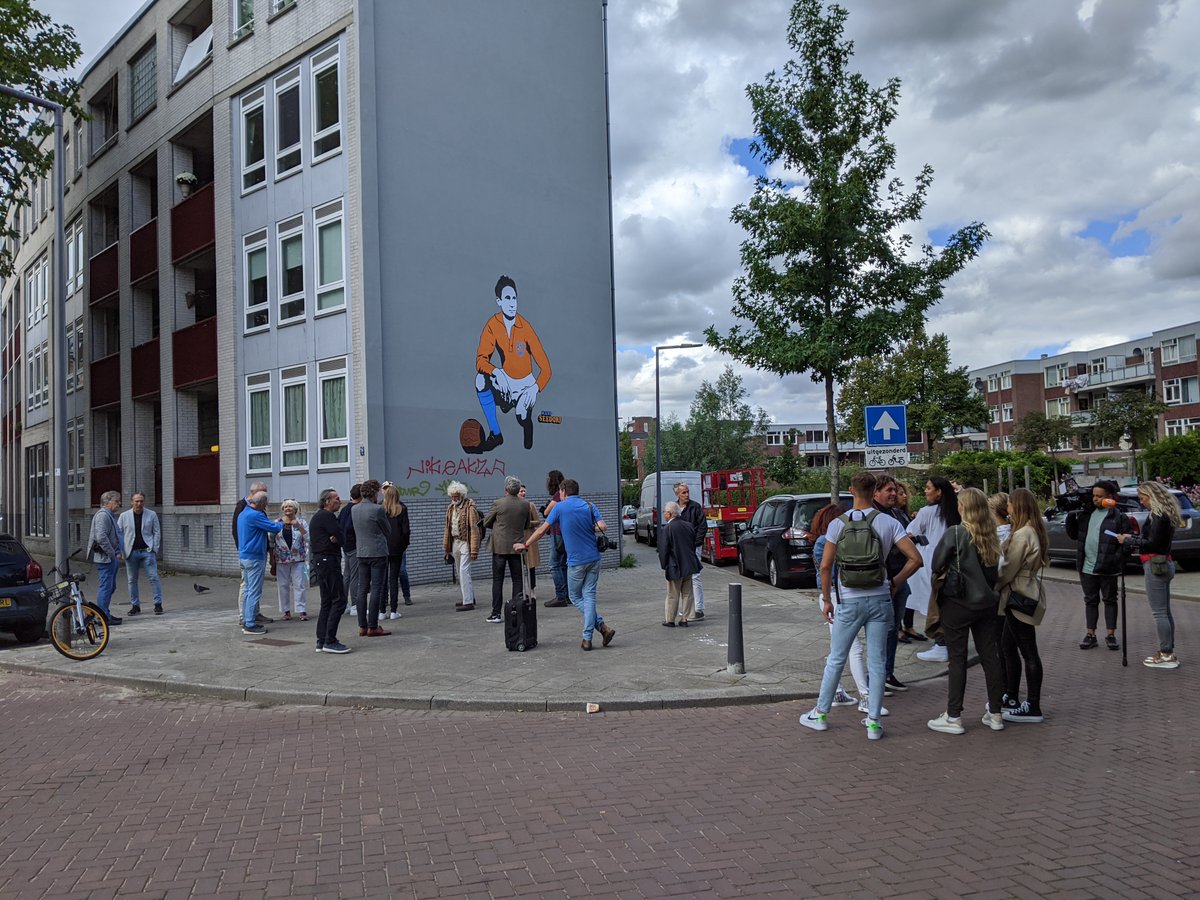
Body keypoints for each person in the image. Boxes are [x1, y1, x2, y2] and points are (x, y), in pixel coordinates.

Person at [799, 471, 922, 741]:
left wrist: (828, 598)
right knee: (877, 661)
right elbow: (915, 559)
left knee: (836, 658)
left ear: (851, 491)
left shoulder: (837, 525)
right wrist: (895, 582)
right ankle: (874, 722)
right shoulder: (889, 523)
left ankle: (820, 715)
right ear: (874, 491)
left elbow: (825, 566)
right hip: (880, 599)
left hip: (849, 600)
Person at [926, 488, 1007, 735]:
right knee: (990, 657)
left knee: (958, 659)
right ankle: (995, 713)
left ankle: (954, 716)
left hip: (958, 604)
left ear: (964, 508)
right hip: (988, 604)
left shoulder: (957, 533)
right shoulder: (992, 535)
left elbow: (936, 563)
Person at [515, 478, 615, 651]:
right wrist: (587, 527)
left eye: (560, 493)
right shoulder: (589, 506)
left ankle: (589, 636)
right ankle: (600, 630)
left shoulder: (559, 508)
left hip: (576, 561)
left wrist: (525, 544)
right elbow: (603, 526)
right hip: (594, 558)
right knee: (589, 595)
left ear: (563, 492)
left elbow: (541, 530)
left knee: (576, 597)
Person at [471, 275, 552, 451]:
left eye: (514, 298)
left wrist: (535, 388)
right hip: (505, 380)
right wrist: (496, 372)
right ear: (499, 301)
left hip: (525, 385)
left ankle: (527, 423)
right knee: (480, 380)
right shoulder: (493, 325)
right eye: (507, 298)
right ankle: (496, 434)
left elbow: (546, 369)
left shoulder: (525, 327)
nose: (512, 302)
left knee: (521, 416)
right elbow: (481, 360)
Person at [996, 488, 1049, 722]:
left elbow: (1008, 568)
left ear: (1017, 506)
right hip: (1024, 591)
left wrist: (993, 586)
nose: (1007, 507)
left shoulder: (1022, 534)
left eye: (1009, 504)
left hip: (1018, 594)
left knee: (1028, 652)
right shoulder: (1033, 530)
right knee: (1008, 646)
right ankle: (1011, 695)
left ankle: (1033, 705)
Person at [1117, 481, 1183, 669]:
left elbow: (1152, 543)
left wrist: (1129, 539)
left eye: (1143, 498)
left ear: (1151, 496)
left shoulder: (1158, 515)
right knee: (1165, 611)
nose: (1142, 502)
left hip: (1155, 564)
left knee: (1159, 612)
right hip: (1164, 562)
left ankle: (1166, 654)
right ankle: (1167, 650)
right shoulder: (1166, 514)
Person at [1065, 480, 1131, 650]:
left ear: (1109, 497)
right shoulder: (1087, 514)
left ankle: (1110, 635)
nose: (1095, 499)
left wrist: (1115, 559)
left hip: (1108, 568)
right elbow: (1074, 535)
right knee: (1090, 600)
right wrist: (1071, 516)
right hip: (1087, 566)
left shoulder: (1119, 517)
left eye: (1099, 496)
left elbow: (1127, 544)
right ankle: (1090, 634)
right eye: (1093, 495)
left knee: (1110, 600)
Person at [808, 501, 861, 709]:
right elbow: (826, 570)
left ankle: (837, 692)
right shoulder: (826, 541)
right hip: (836, 596)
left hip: (835, 596)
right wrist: (828, 599)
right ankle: (865, 697)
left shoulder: (825, 540)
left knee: (838, 647)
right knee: (853, 647)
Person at [909, 476, 961, 663]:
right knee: (948, 604)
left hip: (932, 563)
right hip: (953, 563)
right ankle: (951, 642)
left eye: (928, 487)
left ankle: (941, 644)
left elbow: (911, 533)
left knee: (934, 605)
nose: (925, 491)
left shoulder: (926, 512)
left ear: (939, 491)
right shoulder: (956, 511)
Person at [873, 474, 913, 693]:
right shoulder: (874, 515)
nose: (893, 494)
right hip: (883, 582)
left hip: (900, 579)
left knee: (894, 628)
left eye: (895, 490)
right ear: (875, 492)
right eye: (889, 490)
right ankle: (877, 675)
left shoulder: (896, 513)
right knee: (883, 631)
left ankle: (888, 672)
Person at [481, 476, 532, 624]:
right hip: (517, 547)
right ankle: (515, 610)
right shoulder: (525, 505)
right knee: (517, 579)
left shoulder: (498, 503)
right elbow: (527, 524)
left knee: (498, 580)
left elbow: (486, 522)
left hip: (499, 547)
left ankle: (496, 613)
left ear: (506, 490)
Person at [309, 487, 350, 653]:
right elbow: (341, 536)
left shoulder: (320, 517)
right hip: (328, 561)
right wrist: (337, 538)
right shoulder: (326, 516)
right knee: (339, 600)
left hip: (322, 561)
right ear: (327, 502)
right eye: (336, 499)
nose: (339, 501)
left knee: (327, 601)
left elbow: (338, 537)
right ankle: (329, 640)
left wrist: (337, 538)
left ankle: (322, 639)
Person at [237, 491, 283, 635]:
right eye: (266, 504)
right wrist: (281, 522)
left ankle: (246, 619)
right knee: (254, 591)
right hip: (255, 557)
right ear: (262, 504)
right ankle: (250, 624)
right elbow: (274, 528)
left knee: (247, 590)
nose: (266, 507)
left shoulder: (243, 513)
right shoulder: (255, 515)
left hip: (244, 556)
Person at [352, 480, 392, 636]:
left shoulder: (354, 509)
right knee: (376, 589)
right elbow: (387, 530)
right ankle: (373, 626)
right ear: (375, 493)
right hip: (377, 552)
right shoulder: (377, 510)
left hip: (361, 552)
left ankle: (362, 625)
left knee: (362, 589)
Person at [657, 501, 701, 627]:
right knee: (687, 593)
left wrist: (664, 564)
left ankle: (670, 620)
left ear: (669, 514)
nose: (664, 514)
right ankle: (685, 619)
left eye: (665, 512)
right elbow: (692, 544)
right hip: (689, 564)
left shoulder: (667, 528)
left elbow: (664, 549)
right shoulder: (688, 525)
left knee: (672, 594)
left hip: (674, 566)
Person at [118, 491, 162, 616]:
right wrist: (121, 550)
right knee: (132, 580)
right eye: (136, 501)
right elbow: (119, 534)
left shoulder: (151, 514)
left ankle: (158, 604)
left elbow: (157, 532)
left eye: (141, 501)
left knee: (153, 577)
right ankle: (135, 605)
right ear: (132, 502)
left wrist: (154, 548)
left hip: (147, 551)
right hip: (131, 552)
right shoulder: (124, 516)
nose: (139, 503)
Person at [233, 480, 271, 624]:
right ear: (255, 493)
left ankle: (253, 613)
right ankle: (246, 618)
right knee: (249, 588)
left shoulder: (252, 510)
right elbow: (236, 531)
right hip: (251, 554)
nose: (266, 496)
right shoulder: (245, 508)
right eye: (264, 492)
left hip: (248, 554)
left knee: (250, 588)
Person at [443, 481, 481, 611]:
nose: (454, 498)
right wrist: (447, 548)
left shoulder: (469, 507)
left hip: (466, 542)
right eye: (452, 496)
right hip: (455, 542)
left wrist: (474, 549)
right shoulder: (450, 508)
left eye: (457, 496)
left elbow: (474, 529)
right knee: (460, 572)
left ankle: (468, 601)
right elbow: (447, 529)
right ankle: (469, 597)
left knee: (464, 571)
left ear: (462, 494)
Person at [88, 490, 123, 625]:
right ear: (108, 502)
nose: (119, 504)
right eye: (116, 501)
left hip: (109, 557)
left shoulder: (108, 515)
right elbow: (101, 537)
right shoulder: (103, 516)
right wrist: (112, 553)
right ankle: (102, 616)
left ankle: (105, 613)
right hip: (106, 558)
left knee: (110, 586)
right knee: (106, 586)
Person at [894, 481, 923, 643]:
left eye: (904, 493)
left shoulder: (904, 514)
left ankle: (908, 626)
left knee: (909, 593)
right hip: (902, 562)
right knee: (902, 592)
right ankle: (899, 628)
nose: (904, 496)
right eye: (900, 493)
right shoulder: (893, 515)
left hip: (909, 559)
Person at [270, 499, 308, 621]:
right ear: (282, 509)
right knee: (283, 585)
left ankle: (301, 610)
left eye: (290, 506)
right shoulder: (277, 523)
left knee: (299, 585)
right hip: (281, 558)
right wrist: (271, 559)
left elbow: (308, 538)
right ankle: (286, 611)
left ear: (295, 509)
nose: (287, 509)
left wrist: (299, 527)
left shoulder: (301, 522)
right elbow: (271, 541)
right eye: (285, 507)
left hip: (298, 558)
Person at [674, 481, 707, 619]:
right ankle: (687, 608)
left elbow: (702, 526)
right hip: (681, 548)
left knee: (695, 576)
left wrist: (696, 543)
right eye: (683, 492)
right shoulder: (675, 508)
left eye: (687, 492)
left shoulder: (695, 507)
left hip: (693, 546)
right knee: (684, 578)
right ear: (677, 494)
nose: (687, 494)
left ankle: (699, 608)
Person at [382, 484, 412, 619]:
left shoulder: (380, 510)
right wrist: (404, 544)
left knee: (382, 579)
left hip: (383, 547)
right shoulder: (402, 509)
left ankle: (382, 611)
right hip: (397, 547)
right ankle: (394, 610)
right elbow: (406, 531)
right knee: (394, 578)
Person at [542, 469, 570, 607]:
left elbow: (547, 512)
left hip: (557, 533)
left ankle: (560, 596)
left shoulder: (558, 495)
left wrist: (547, 508)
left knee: (554, 565)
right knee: (563, 564)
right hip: (565, 533)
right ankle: (568, 595)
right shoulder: (566, 494)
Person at [338, 483, 361, 616]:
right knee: (355, 576)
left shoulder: (345, 509)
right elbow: (351, 527)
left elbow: (340, 525)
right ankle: (355, 605)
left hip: (345, 545)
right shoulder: (356, 509)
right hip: (354, 545)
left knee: (347, 575)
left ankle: (343, 603)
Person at [518, 483, 542, 601]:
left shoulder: (530, 505)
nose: (523, 493)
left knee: (530, 566)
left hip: (528, 537)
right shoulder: (512, 506)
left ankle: (532, 589)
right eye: (520, 491)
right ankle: (521, 590)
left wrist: (527, 523)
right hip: (516, 538)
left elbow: (537, 521)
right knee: (518, 566)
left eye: (524, 491)